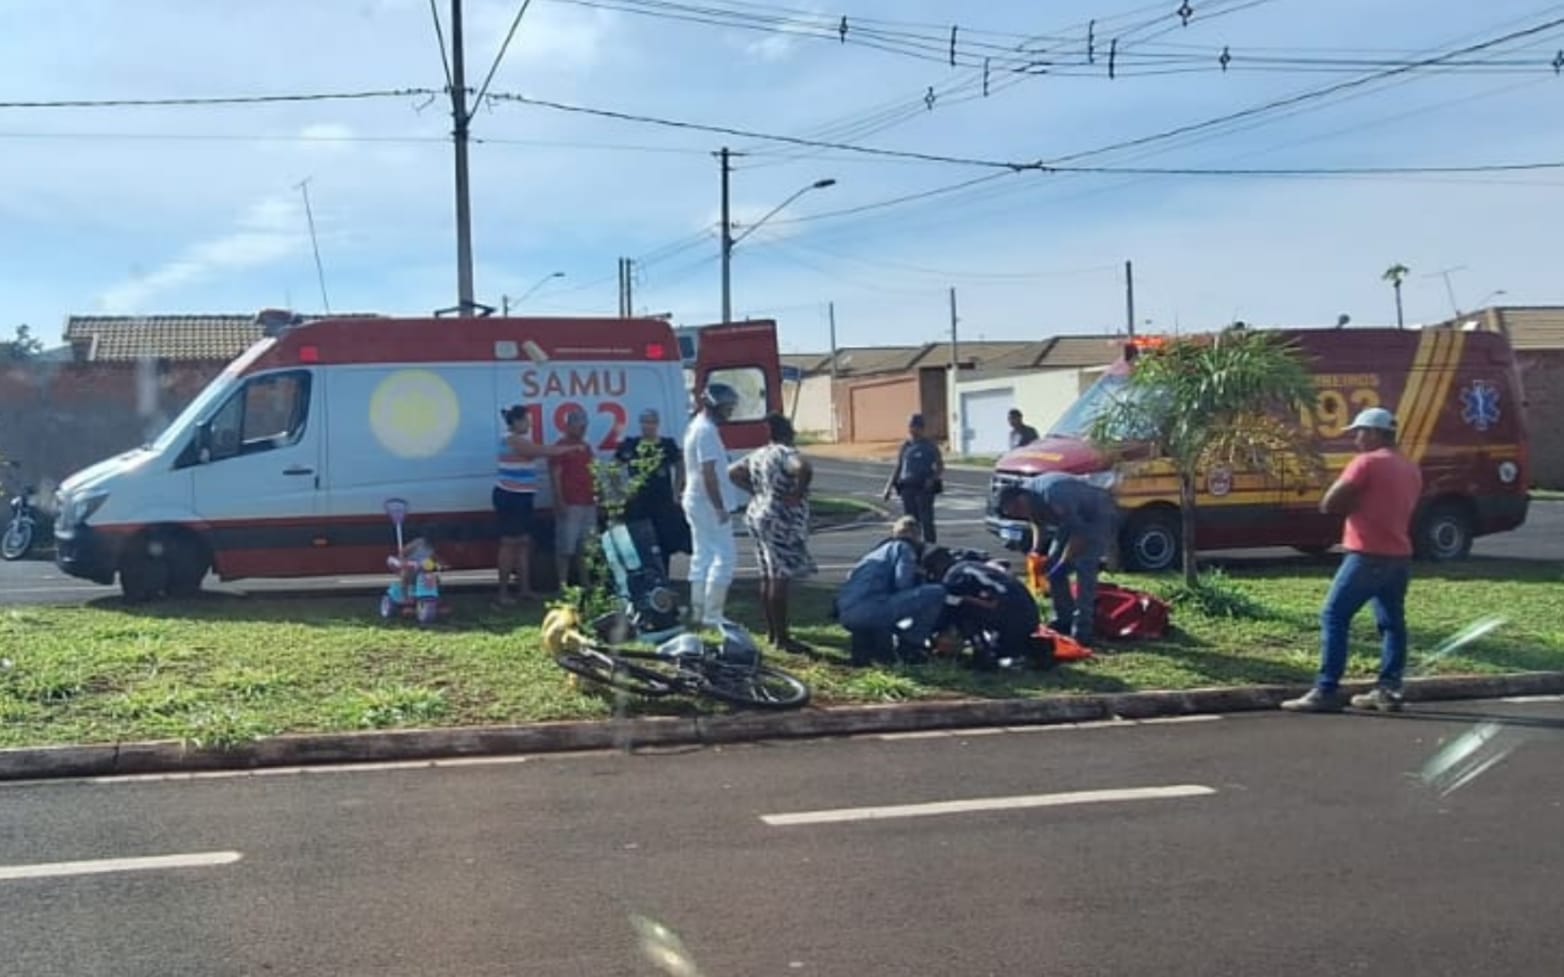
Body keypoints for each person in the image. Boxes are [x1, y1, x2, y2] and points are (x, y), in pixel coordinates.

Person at [1283, 407, 1423, 713]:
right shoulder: (1409, 467)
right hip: (1399, 555)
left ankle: (1327, 688)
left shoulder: (1366, 463)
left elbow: (1330, 502)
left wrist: (1352, 503)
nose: (1355, 439)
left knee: (1334, 615)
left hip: (1367, 553)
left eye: (1359, 432)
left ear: (1374, 433)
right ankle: (1389, 689)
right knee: (1392, 623)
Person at [997, 472, 1118, 645]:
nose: (1019, 514)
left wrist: (1064, 562)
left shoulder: (1055, 496)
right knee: (1051, 567)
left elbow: (1079, 537)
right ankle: (1064, 619)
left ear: (1021, 498)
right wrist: (1036, 552)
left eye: (1017, 510)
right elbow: (1036, 522)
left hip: (1097, 517)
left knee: (1084, 569)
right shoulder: (1028, 497)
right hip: (1070, 521)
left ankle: (1083, 630)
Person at [730, 412, 817, 652]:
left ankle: (771, 632)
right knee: (780, 577)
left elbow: (733, 472)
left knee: (767, 573)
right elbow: (804, 468)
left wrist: (757, 492)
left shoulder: (760, 454)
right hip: (781, 518)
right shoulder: (785, 453)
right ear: (788, 433)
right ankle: (782, 638)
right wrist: (796, 493)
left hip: (758, 512)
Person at [494, 405, 583, 606]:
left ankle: (525, 589)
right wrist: (570, 447)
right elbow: (541, 451)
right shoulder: (512, 439)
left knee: (524, 542)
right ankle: (502, 593)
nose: (529, 424)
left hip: (523, 496)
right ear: (516, 422)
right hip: (510, 497)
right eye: (526, 421)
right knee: (509, 544)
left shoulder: (519, 439)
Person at [834, 517, 946, 666]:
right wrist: (920, 575)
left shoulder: (875, 553)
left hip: (847, 613)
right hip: (872, 610)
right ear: (916, 534)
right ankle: (912, 644)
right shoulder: (903, 548)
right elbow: (903, 584)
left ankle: (878, 650)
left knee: (885, 604)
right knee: (937, 592)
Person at [923, 546, 1042, 670]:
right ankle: (1012, 651)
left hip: (1012, 615)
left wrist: (933, 632)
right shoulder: (973, 567)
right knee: (1005, 650)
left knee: (960, 608)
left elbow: (949, 609)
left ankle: (982, 653)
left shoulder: (954, 575)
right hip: (1028, 615)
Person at [683, 383, 741, 627]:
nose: (729, 412)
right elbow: (709, 472)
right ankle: (713, 614)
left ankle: (699, 612)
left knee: (703, 555)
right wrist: (719, 506)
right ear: (714, 406)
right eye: (727, 408)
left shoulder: (696, 426)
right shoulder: (706, 431)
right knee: (724, 556)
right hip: (707, 501)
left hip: (696, 499)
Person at [614, 408, 690, 568]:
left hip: (663, 501)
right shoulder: (631, 445)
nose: (647, 426)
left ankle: (664, 577)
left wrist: (677, 490)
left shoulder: (666, 445)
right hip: (638, 502)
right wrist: (622, 491)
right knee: (640, 542)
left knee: (664, 541)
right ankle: (647, 580)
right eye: (644, 422)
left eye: (651, 422)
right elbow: (614, 468)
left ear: (657, 424)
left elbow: (680, 465)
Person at [550, 408, 598, 591]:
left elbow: (593, 471)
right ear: (569, 426)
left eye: (584, 426)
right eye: (579, 426)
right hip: (570, 503)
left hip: (588, 502)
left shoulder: (586, 447)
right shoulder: (560, 447)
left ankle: (586, 582)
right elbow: (555, 475)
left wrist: (597, 494)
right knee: (566, 546)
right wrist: (559, 500)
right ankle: (562, 584)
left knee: (585, 546)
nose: (582, 430)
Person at [882, 413, 944, 544]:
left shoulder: (929, 446)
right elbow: (898, 466)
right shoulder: (906, 446)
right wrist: (888, 487)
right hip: (907, 487)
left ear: (922, 428)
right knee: (910, 521)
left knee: (926, 520)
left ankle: (930, 546)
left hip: (924, 488)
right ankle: (912, 545)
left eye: (916, 426)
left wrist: (932, 479)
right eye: (910, 426)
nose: (912, 430)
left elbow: (940, 466)